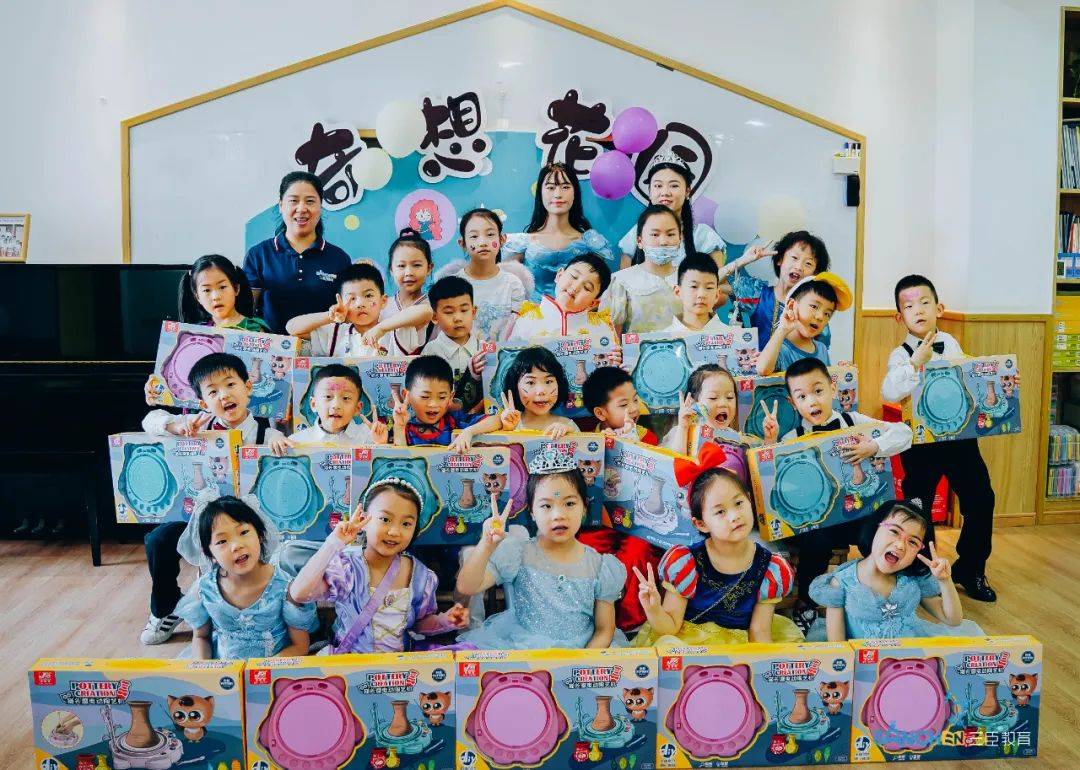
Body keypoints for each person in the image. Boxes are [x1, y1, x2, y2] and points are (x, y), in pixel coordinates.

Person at [139, 353, 287, 647]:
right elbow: (149, 419)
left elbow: (283, 447)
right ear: (203, 402)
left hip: (249, 522)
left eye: (230, 384)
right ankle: (165, 609)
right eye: (213, 391)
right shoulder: (198, 424)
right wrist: (174, 426)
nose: (224, 395)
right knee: (158, 539)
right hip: (203, 518)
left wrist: (277, 441)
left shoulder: (266, 431)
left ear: (247, 387)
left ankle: (257, 612)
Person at [770, 356, 913, 632]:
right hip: (819, 524)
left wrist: (874, 446)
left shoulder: (853, 421)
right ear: (793, 403)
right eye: (802, 396)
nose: (812, 401)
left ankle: (883, 600)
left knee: (878, 534)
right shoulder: (791, 439)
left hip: (857, 515)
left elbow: (904, 433)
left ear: (833, 389)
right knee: (815, 541)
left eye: (818, 391)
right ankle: (806, 603)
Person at [882, 274, 998, 602]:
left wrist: (1001, 379)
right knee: (919, 506)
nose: (918, 310)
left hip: (960, 439)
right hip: (921, 444)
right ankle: (923, 571)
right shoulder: (900, 354)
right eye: (909, 306)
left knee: (981, 498)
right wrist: (914, 363)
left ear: (939, 308)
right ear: (899, 317)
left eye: (925, 303)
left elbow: (969, 379)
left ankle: (971, 568)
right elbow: (889, 391)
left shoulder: (951, 342)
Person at [633, 460, 803, 646]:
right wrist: (654, 610)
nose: (735, 516)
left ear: (749, 499)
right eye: (720, 511)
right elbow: (670, 628)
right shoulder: (685, 563)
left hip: (740, 646)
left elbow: (759, 633)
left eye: (739, 503)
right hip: (690, 646)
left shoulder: (770, 568)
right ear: (701, 524)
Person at [288, 480, 470, 653]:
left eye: (406, 523)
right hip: (348, 663)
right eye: (385, 519)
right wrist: (334, 543)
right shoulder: (347, 568)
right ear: (364, 519)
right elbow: (300, 593)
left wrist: (445, 621)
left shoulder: (421, 577)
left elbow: (419, 624)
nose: (394, 531)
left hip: (398, 666)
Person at [456, 468, 627, 648]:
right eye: (546, 506)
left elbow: (604, 630)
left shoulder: (599, 566)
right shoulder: (519, 553)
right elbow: (467, 587)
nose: (558, 515)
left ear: (584, 507)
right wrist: (486, 545)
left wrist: (579, 661)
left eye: (569, 503)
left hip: (581, 652)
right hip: (524, 650)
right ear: (532, 511)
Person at [807, 500, 984, 640]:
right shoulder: (841, 583)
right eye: (894, 531)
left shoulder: (913, 580)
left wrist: (945, 581)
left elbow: (953, 619)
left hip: (909, 662)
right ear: (875, 528)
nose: (900, 545)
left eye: (913, 542)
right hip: (864, 666)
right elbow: (838, 648)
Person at [175, 492, 318, 659]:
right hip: (223, 670)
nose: (236, 546)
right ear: (209, 553)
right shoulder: (205, 589)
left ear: (260, 535)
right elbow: (201, 637)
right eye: (222, 541)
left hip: (274, 668)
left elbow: (300, 646)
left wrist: (259, 671)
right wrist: (206, 669)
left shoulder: (286, 589)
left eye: (243, 532)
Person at [242, 171, 353, 334]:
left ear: (320, 206)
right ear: (281, 205)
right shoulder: (259, 255)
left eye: (310, 201)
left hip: (322, 347)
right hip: (270, 345)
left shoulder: (339, 259)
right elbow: (246, 311)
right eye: (293, 201)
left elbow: (346, 314)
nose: (301, 208)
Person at [505, 162, 614, 300]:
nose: (558, 194)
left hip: (574, 314)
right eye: (551, 187)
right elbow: (507, 290)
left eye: (565, 187)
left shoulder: (592, 244)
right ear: (540, 193)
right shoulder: (520, 243)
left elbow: (595, 292)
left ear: (575, 192)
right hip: (529, 312)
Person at [286, 262, 425, 357]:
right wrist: (329, 316)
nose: (360, 304)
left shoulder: (395, 331)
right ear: (340, 301)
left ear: (383, 301)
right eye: (352, 298)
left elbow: (426, 311)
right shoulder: (335, 333)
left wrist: (381, 328)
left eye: (368, 296)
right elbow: (292, 328)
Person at [436, 208, 531, 341]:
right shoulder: (452, 285)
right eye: (474, 236)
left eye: (490, 234)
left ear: (502, 239)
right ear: (462, 243)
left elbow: (517, 331)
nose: (483, 242)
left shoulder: (513, 284)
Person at [390, 355, 520, 449]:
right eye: (425, 397)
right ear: (407, 396)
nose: (433, 404)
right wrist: (399, 427)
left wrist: (468, 432)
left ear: (451, 397)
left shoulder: (454, 421)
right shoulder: (405, 428)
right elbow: (399, 463)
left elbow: (496, 420)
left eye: (442, 397)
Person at [617, 162, 726, 270]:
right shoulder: (636, 234)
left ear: (687, 191)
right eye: (658, 186)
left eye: (674, 186)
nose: (665, 192)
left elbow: (720, 281)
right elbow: (623, 279)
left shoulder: (704, 236)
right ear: (650, 191)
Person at [744, 230, 832, 350]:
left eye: (808, 263)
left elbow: (821, 354)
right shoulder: (756, 293)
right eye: (794, 258)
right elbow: (718, 285)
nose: (799, 267)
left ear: (815, 274)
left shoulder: (815, 313)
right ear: (780, 259)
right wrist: (743, 260)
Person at [603, 205, 683, 333]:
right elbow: (610, 335)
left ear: (680, 238)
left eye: (670, 234)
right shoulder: (621, 281)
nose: (663, 241)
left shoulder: (691, 279)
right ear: (639, 241)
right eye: (655, 234)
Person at [505, 252, 616, 340]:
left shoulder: (601, 329)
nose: (575, 287)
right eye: (574, 276)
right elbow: (508, 357)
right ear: (559, 275)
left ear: (593, 303)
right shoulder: (527, 321)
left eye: (587, 287)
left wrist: (614, 359)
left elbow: (606, 360)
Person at [757, 273, 851, 375]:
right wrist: (782, 329)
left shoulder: (822, 349)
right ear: (791, 305)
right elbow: (763, 369)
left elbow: (825, 381)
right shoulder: (780, 348)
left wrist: (840, 373)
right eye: (814, 306)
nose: (820, 317)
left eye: (827, 314)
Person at [421, 276, 485, 413]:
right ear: (435, 317)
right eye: (449, 312)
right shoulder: (431, 352)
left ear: (473, 312)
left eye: (464, 310)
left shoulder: (484, 350)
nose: (458, 318)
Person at [372, 227, 436, 355]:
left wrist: (382, 328)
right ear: (391, 269)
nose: (408, 272)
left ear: (429, 268)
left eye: (416, 265)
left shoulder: (434, 306)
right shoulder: (381, 307)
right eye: (401, 266)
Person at [288, 364, 388, 445]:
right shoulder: (296, 441)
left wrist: (380, 444)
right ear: (314, 404)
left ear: (357, 408)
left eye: (346, 398)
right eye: (328, 396)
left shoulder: (369, 436)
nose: (336, 405)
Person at [177, 254, 270, 331]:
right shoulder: (197, 332)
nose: (216, 297)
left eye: (222, 287)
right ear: (197, 297)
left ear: (236, 289)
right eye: (207, 290)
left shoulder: (254, 329)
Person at [502, 346, 579, 438]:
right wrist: (507, 429)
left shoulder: (568, 425)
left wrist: (571, 434)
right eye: (530, 382)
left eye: (548, 382)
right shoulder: (507, 422)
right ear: (515, 387)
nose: (541, 391)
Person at [582, 366, 658, 445]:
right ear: (600, 413)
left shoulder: (647, 438)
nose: (634, 408)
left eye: (635, 400)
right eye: (624, 404)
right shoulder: (588, 442)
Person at [663, 253, 732, 334]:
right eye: (694, 286)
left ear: (717, 295)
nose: (701, 294)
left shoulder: (731, 338)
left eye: (709, 288)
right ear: (678, 292)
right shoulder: (661, 338)